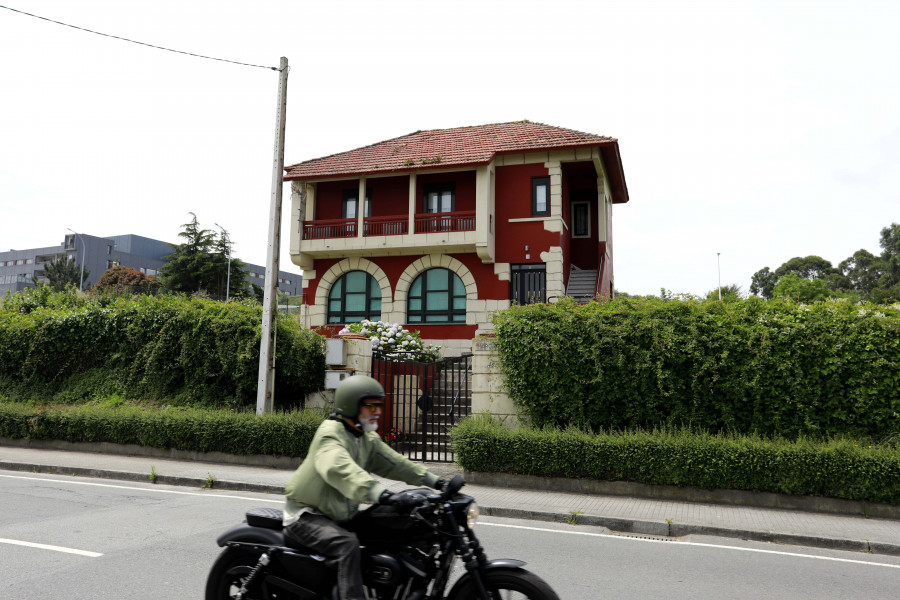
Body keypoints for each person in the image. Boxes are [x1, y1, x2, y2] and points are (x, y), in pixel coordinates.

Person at [283, 374, 447, 600]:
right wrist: (383, 494)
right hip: (307, 515)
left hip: (340, 516)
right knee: (347, 545)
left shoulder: (365, 438)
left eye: (379, 405)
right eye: (371, 406)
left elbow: (396, 463)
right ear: (352, 406)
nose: (378, 411)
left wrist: (436, 482)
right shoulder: (330, 435)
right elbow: (342, 471)